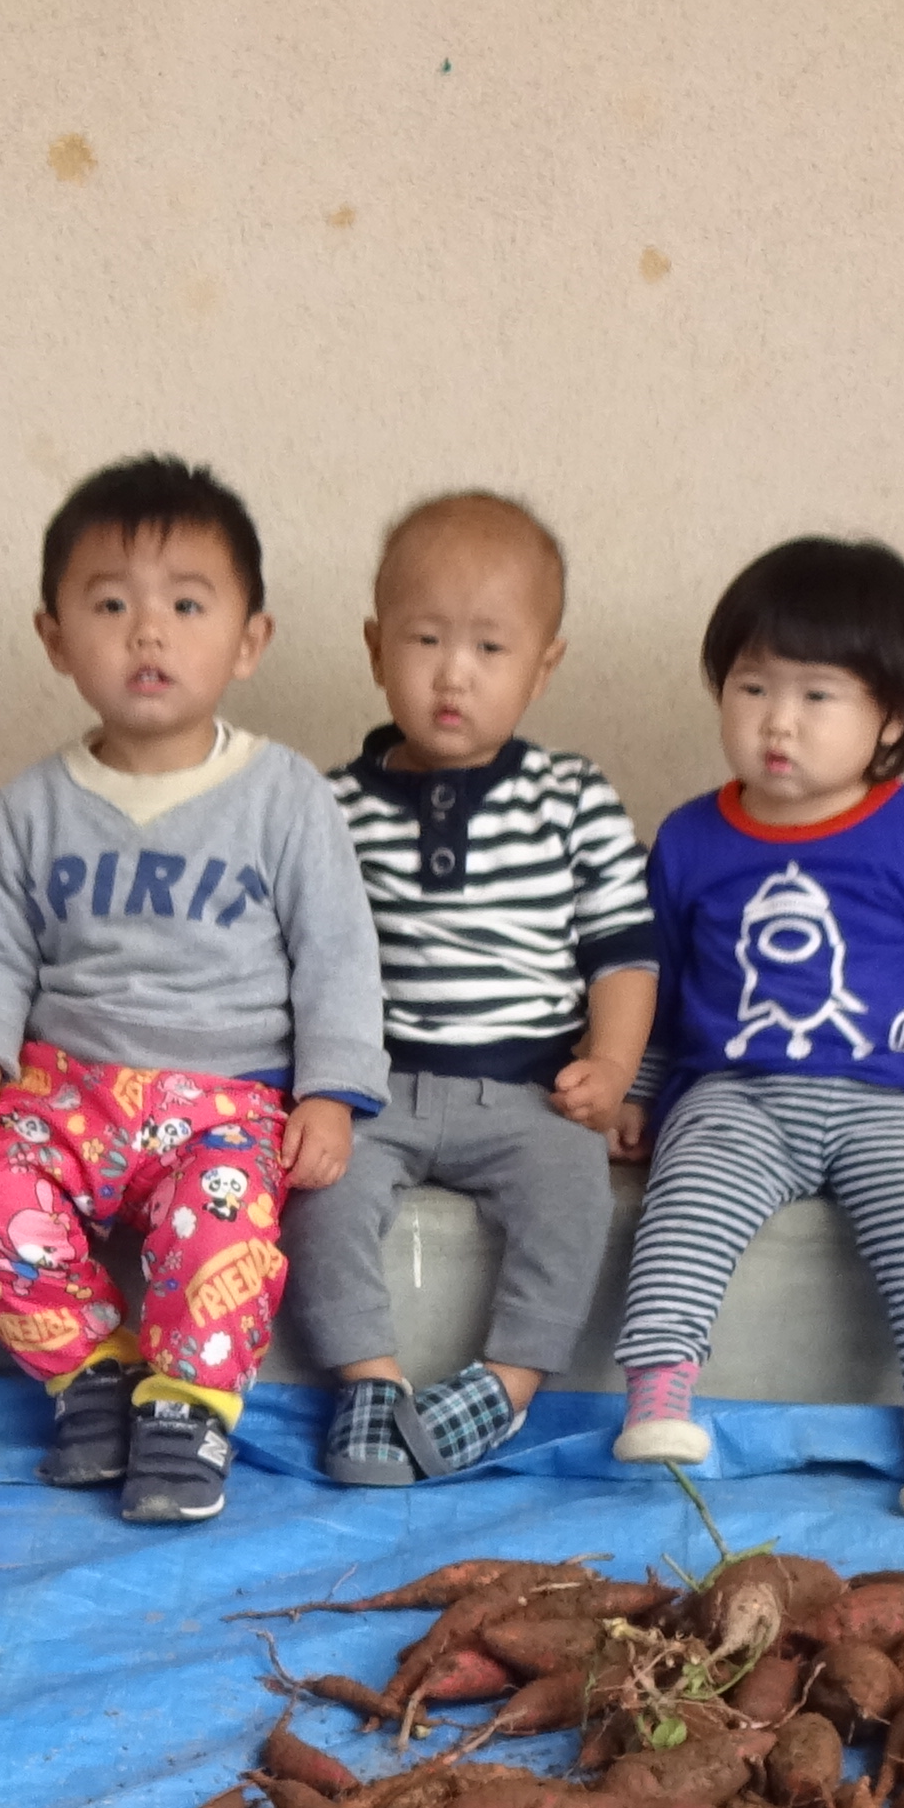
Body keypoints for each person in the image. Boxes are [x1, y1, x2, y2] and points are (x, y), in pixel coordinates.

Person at [0, 455, 385, 1528]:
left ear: (247, 641)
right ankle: (93, 1375)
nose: (149, 633)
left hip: (223, 1102)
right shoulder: (36, 804)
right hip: (65, 1092)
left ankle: (189, 1408)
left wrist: (332, 1090)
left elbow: (337, 953)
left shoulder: (285, 797)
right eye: (111, 605)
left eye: (187, 604)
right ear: (54, 638)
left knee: (221, 1236)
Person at [609, 536, 904, 1523]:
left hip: (896, 1103)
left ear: (890, 721)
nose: (777, 721)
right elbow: (658, 977)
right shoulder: (693, 839)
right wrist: (640, 1090)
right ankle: (660, 1393)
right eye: (751, 688)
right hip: (735, 1094)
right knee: (685, 1202)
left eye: (817, 695)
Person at [290, 489, 656, 1487]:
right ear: (374, 649)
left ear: (545, 665)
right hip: (378, 1083)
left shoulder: (574, 798)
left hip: (533, 1090)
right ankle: (368, 1380)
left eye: (491, 649)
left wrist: (612, 1066)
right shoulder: (327, 804)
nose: (454, 673)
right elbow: (302, 954)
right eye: (425, 640)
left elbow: (623, 951)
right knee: (321, 1188)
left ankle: (508, 1382)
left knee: (573, 1198)